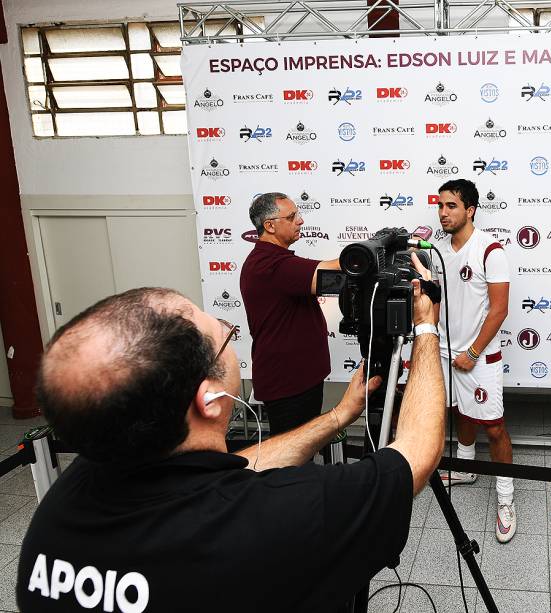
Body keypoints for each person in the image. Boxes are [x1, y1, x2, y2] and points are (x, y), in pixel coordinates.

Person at [18, 261, 444, 612]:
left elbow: (230, 476)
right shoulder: (288, 516)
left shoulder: (63, 508)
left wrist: (337, 416)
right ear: (210, 399)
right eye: (225, 335)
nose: (230, 339)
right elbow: (416, 454)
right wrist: (426, 328)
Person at [431, 178, 516, 543]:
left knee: (493, 426)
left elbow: (499, 311)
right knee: (459, 411)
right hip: (445, 352)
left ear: (470, 210)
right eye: (440, 205)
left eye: (451, 206)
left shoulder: (490, 250)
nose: (443, 212)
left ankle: (506, 497)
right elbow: (436, 303)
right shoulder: (436, 251)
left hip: (479, 356)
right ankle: (466, 467)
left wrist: (472, 352)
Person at [240, 192, 338, 435]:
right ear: (270, 225)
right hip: (288, 383)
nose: (300, 221)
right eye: (292, 216)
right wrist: (365, 253)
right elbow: (327, 273)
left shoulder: (278, 260)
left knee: (302, 451)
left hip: (300, 378)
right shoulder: (269, 265)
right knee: (291, 459)